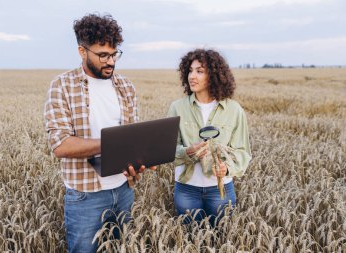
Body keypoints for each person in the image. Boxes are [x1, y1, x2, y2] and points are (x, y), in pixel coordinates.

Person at [44, 13, 154, 253]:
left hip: (124, 191)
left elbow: (132, 137)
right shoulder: (62, 85)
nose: (111, 62)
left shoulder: (125, 86)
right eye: (103, 55)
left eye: (114, 54)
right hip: (86, 196)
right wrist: (113, 143)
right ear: (82, 52)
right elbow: (61, 145)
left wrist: (142, 160)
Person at [167, 49, 252, 226]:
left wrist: (226, 168)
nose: (192, 76)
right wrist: (187, 152)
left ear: (214, 75)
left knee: (222, 240)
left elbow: (243, 151)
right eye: (190, 70)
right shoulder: (177, 108)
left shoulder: (234, 110)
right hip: (186, 189)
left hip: (220, 190)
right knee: (190, 240)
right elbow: (167, 149)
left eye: (199, 71)